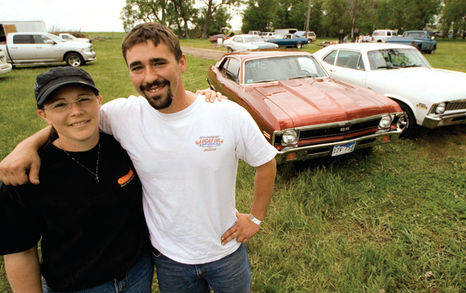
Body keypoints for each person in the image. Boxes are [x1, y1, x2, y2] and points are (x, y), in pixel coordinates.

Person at [0, 23, 278, 292]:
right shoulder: (123, 115)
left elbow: (265, 163)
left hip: (226, 252)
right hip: (168, 258)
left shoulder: (226, 114)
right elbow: (74, 122)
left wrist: (255, 219)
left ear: (181, 63)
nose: (149, 77)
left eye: (159, 63)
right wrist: (28, 145)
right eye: (137, 67)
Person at [0, 67, 152, 292]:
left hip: (137, 275)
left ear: (99, 101)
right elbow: (20, 250)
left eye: (84, 99)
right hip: (77, 286)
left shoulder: (123, 145)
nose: (76, 111)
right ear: (43, 114)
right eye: (60, 105)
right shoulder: (28, 173)